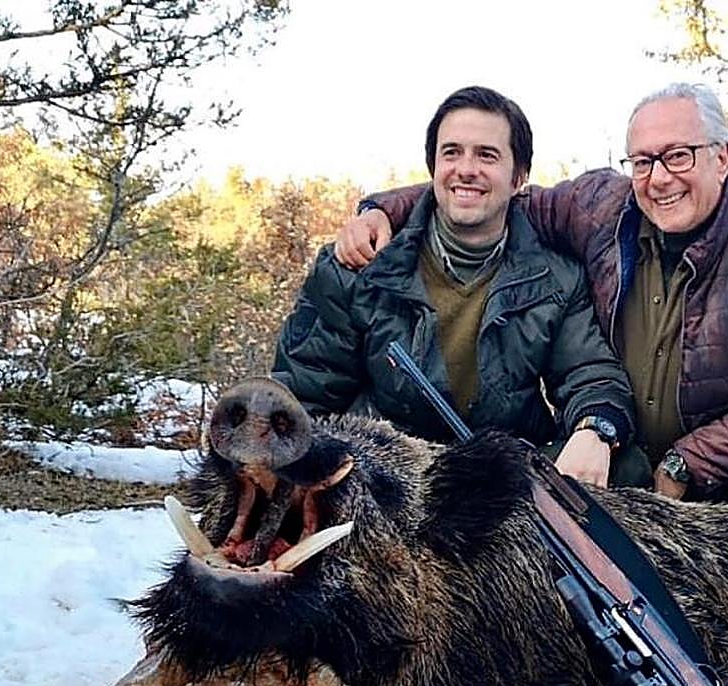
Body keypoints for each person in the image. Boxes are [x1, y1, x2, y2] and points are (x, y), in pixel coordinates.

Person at [336, 83, 728, 503]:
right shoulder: (602, 207)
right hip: (622, 453)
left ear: (722, 157)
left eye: (678, 157)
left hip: (723, 469)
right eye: (643, 162)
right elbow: (484, 197)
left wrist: (689, 463)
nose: (659, 179)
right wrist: (384, 210)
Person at [273, 86, 647, 489]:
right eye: (451, 152)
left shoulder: (557, 278)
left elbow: (589, 373)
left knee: (626, 465)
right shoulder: (357, 264)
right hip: (383, 480)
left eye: (487, 155)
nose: (466, 169)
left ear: (518, 177)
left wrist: (595, 430)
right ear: (434, 166)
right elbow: (304, 397)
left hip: (500, 478)